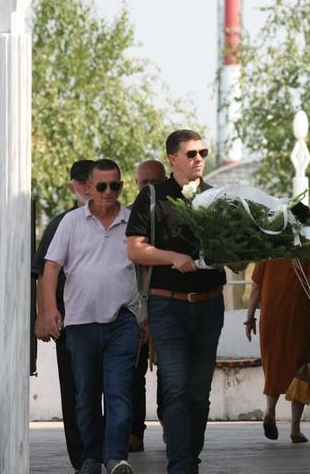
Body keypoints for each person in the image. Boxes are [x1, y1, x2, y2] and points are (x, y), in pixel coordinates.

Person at [126, 129, 226, 474]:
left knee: (198, 391)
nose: (199, 159)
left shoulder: (216, 198)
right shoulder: (153, 197)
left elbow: (232, 255)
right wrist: (172, 257)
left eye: (203, 152)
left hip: (210, 305)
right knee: (176, 387)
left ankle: (189, 458)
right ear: (173, 159)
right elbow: (134, 248)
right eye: (191, 153)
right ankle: (181, 465)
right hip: (168, 306)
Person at [40, 159, 140, 474]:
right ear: (89, 188)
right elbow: (50, 269)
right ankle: (92, 458)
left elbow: (147, 268)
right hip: (80, 325)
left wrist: (147, 315)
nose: (109, 191)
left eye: (115, 185)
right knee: (85, 397)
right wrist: (49, 310)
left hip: (122, 322)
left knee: (120, 393)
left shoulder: (133, 221)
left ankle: (115, 458)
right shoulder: (70, 222)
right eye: (102, 186)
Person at [33, 158, 93, 474]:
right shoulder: (60, 224)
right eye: (83, 183)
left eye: (95, 182)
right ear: (74, 187)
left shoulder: (120, 221)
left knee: (114, 390)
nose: (90, 188)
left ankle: (109, 451)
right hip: (70, 323)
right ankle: (82, 458)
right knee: (75, 392)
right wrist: (43, 315)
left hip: (112, 321)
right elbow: (42, 273)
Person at [245, 241, 310, 443]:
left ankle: (269, 412)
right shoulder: (308, 253)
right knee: (301, 372)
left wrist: (250, 318)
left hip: (271, 319)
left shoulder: (269, 252)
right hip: (299, 319)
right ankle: (295, 429)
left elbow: (255, 287)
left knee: (273, 366)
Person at [129, 159, 167, 453]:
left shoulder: (176, 214)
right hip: (134, 309)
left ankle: (172, 428)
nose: (150, 188)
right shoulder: (126, 218)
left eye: (156, 182)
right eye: (145, 183)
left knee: (171, 373)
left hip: (169, 305)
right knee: (132, 374)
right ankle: (133, 433)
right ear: (136, 185)